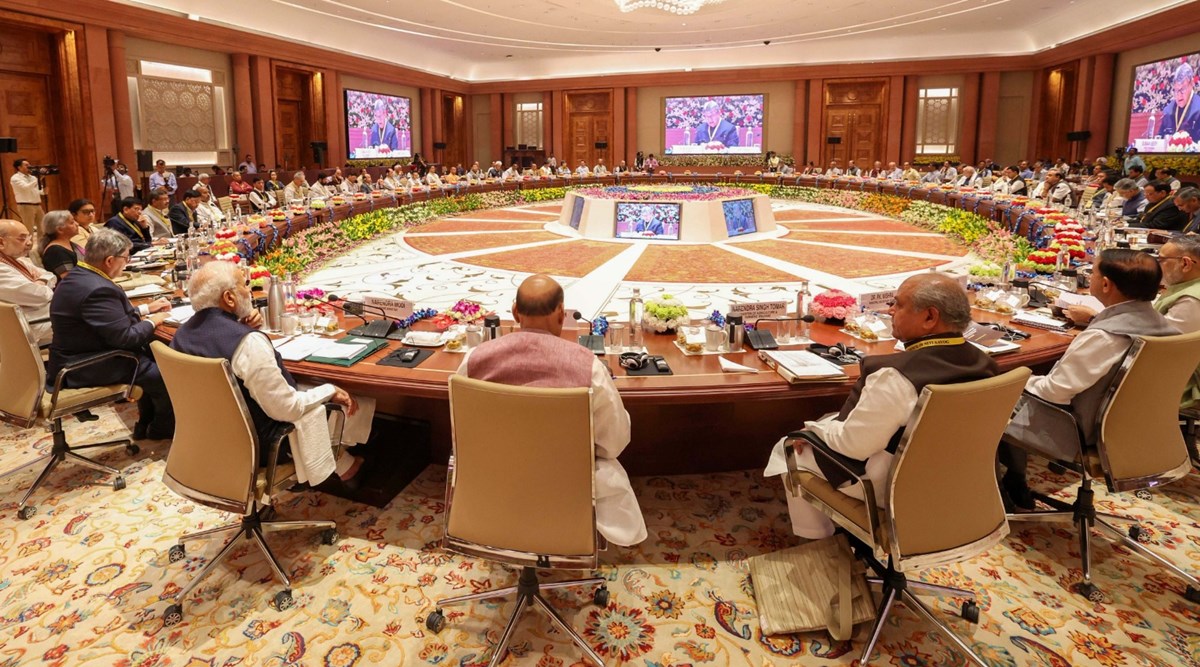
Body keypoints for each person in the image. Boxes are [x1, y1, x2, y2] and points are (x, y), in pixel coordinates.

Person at [764, 273, 998, 538]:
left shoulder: (896, 377)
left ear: (930, 317)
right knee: (830, 420)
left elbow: (853, 446)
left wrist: (811, 431)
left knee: (790, 446)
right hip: (958, 480)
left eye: (898, 304)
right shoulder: (985, 363)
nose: (890, 311)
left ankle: (818, 539)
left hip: (896, 486)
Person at [455, 274, 646, 546]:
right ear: (561, 314)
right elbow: (614, 442)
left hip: (493, 484)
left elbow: (463, 433)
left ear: (515, 313)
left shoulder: (474, 360)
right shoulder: (588, 367)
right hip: (568, 489)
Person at [1001, 250, 1179, 507]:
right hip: (1138, 429)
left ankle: (1006, 485)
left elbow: (1053, 392)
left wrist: (1014, 380)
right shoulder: (1163, 328)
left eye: (1092, 273)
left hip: (1083, 432)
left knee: (987, 394)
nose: (1090, 277)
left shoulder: (1105, 337)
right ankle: (1012, 481)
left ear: (1105, 284)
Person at [172, 262, 366, 488]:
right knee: (350, 398)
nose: (249, 291)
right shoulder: (246, 343)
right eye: (244, 285)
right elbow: (287, 409)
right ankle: (346, 464)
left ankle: (343, 463)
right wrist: (329, 390)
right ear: (229, 298)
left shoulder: (181, 336)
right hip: (262, 446)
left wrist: (242, 327)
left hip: (208, 440)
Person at [49, 228, 175, 440]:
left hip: (79, 352)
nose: (126, 263)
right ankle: (161, 429)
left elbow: (106, 319)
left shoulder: (80, 275)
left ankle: (145, 423)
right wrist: (154, 321)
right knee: (164, 373)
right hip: (83, 364)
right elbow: (126, 338)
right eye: (125, 258)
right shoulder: (97, 288)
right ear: (109, 261)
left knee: (151, 357)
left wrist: (145, 309)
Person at [0, 218, 55, 345]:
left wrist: (40, 280)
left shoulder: (18, 259)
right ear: (1, 242)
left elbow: (50, 275)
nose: (30, 243)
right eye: (22, 238)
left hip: (41, 316)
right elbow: (40, 296)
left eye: (29, 237)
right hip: (30, 326)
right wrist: (43, 284)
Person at [1157, 62, 1200, 140]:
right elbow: (1159, 140)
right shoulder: (1168, 111)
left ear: (1192, 83)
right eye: (1176, 90)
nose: (1179, 95)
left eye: (1182, 90)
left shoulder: (1198, 109)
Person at [38, 210, 84, 280]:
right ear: (60, 229)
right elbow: (70, 279)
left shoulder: (68, 243)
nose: (77, 224)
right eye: (72, 222)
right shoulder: (55, 251)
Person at [9, 158, 45, 235]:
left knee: (42, 227)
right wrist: (37, 179)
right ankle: (28, 243)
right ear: (19, 167)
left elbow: (37, 190)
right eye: (26, 165)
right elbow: (26, 188)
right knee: (29, 229)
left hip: (38, 205)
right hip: (25, 205)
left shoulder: (32, 177)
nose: (29, 166)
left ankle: (42, 243)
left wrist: (43, 191)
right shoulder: (15, 178)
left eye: (29, 164)